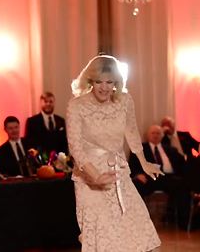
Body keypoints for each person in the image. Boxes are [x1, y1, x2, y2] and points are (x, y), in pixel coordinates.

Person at [66, 54, 162, 251]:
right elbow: (76, 147)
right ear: (90, 80)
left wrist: (144, 162)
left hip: (118, 173)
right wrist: (95, 177)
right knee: (104, 236)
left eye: (109, 82)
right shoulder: (76, 106)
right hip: (89, 178)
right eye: (99, 81)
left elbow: (132, 133)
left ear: (117, 82)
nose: (104, 87)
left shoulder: (125, 101)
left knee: (138, 230)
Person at [129, 125, 189, 228]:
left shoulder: (171, 149)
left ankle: (180, 221)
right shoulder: (140, 149)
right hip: (149, 178)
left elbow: (182, 163)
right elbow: (132, 165)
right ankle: (140, 221)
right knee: (136, 185)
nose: (155, 135)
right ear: (148, 135)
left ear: (162, 136)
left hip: (168, 178)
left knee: (183, 185)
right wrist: (137, 175)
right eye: (153, 133)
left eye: (158, 133)